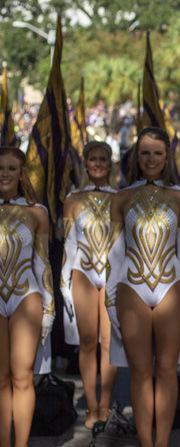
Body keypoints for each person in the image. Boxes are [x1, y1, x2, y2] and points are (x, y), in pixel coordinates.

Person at [106, 127, 180, 447]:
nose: (151, 159)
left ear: (167, 156)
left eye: (157, 152)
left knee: (168, 369)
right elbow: (114, 255)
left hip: (172, 285)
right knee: (141, 371)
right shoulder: (121, 196)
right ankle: (146, 442)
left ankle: (163, 442)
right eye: (145, 152)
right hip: (131, 286)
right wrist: (109, 300)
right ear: (136, 156)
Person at [61, 141, 118, 429]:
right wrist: (64, 286)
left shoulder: (121, 197)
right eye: (93, 159)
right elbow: (70, 245)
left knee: (109, 342)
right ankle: (91, 405)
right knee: (87, 342)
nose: (97, 163)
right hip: (82, 272)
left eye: (103, 159)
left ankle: (105, 403)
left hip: (111, 276)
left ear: (111, 163)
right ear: (85, 163)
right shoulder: (73, 198)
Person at [0, 146, 54, 447]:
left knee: (22, 377)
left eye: (11, 168)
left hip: (26, 297)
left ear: (21, 175)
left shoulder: (37, 213)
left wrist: (49, 310)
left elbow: (43, 263)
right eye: (0, 168)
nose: (4, 174)